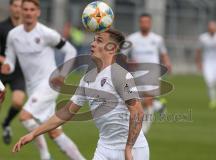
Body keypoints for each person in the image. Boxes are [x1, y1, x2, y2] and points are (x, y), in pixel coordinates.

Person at [12, 29, 149, 160]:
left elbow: (137, 112)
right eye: (94, 40)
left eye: (99, 41)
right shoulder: (87, 78)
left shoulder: (120, 75)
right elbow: (66, 112)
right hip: (104, 147)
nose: (93, 43)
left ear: (111, 48)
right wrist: (34, 133)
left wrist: (129, 147)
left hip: (133, 148)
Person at [1, 0, 85, 159]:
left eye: (32, 9)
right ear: (20, 11)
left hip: (49, 83)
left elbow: (71, 50)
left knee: (24, 116)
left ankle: (45, 156)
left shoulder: (47, 33)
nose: (28, 12)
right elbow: (10, 60)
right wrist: (7, 66)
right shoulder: (13, 35)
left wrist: (62, 74)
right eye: (25, 9)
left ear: (38, 12)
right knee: (54, 131)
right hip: (32, 87)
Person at [124, 13, 172, 134]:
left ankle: (142, 132)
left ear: (150, 24)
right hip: (137, 75)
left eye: (147, 22)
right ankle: (159, 106)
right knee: (139, 102)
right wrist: (128, 62)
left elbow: (163, 53)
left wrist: (167, 63)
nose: (144, 24)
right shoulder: (132, 39)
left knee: (148, 100)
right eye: (142, 22)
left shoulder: (157, 39)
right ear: (139, 23)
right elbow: (122, 56)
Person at [0, 0, 25, 145]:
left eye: (20, 6)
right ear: (11, 8)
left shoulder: (28, 28)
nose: (17, 9)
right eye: (15, 6)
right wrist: (5, 60)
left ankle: (6, 123)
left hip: (18, 73)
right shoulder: (2, 27)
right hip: (2, 71)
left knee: (17, 102)